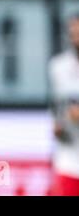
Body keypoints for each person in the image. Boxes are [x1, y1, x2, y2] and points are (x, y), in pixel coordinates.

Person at [48, 14, 79, 196]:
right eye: (72, 32)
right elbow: (56, 106)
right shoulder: (58, 67)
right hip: (68, 158)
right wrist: (58, 124)